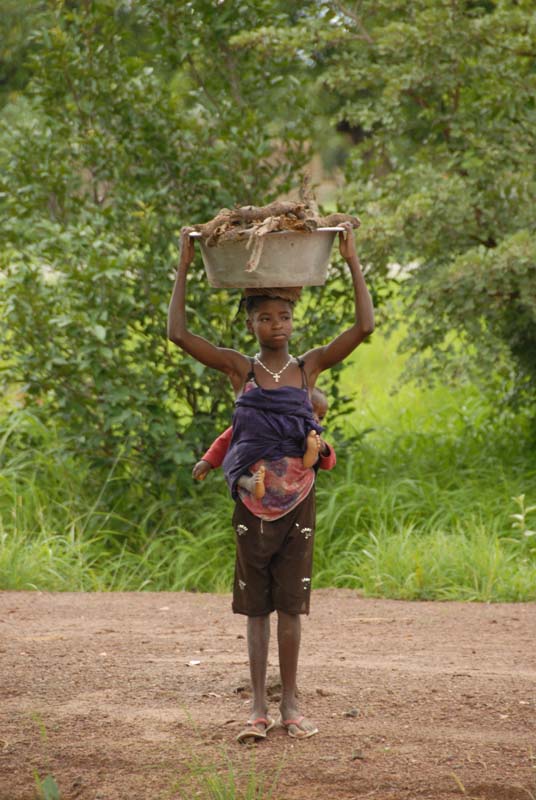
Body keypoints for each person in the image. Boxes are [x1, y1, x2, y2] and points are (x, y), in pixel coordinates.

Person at [167, 222, 374, 743]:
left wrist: (351, 260)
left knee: (291, 606)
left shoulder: (309, 369)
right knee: (255, 607)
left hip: (298, 503)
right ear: (250, 322)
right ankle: (257, 707)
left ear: (293, 320)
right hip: (252, 503)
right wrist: (186, 267)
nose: (276, 324)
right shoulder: (242, 371)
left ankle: (292, 704)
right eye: (264, 317)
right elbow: (179, 335)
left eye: (284, 315)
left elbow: (364, 328)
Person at [192, 387, 336, 498]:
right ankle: (249, 483)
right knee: (232, 469)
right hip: (260, 480)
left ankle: (311, 455)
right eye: (310, 411)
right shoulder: (264, 421)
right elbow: (230, 436)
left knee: (311, 452)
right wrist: (208, 461)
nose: (316, 419)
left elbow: (329, 463)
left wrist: (323, 448)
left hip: (293, 489)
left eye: (321, 417)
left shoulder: (311, 433)